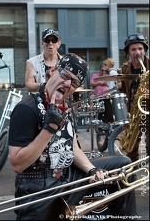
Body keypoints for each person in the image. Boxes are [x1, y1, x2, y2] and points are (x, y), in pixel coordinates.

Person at [8, 53, 137, 220]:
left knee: (123, 167)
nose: (67, 84)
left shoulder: (65, 106)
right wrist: (49, 129)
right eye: (65, 76)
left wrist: (92, 169)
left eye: (74, 82)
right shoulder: (26, 108)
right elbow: (17, 164)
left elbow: (72, 146)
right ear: (53, 71)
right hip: (38, 185)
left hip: (67, 175)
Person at [119, 33, 149, 162]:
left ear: (145, 50)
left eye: (140, 49)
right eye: (133, 49)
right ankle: (132, 177)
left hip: (148, 112)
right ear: (128, 53)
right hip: (134, 113)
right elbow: (123, 92)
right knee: (130, 150)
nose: (137, 52)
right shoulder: (125, 69)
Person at [25, 28, 62, 92]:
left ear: (59, 44)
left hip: (61, 100)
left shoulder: (65, 62)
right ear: (42, 43)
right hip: (39, 100)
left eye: (54, 40)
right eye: (47, 40)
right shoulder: (32, 62)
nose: (50, 43)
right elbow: (29, 84)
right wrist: (45, 86)